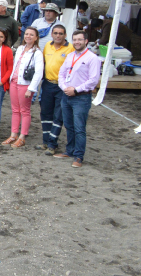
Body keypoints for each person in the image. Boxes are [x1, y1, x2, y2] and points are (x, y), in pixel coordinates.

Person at [53, 31, 102, 168]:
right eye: (75, 39)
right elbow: (61, 74)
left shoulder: (92, 58)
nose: (77, 42)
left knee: (79, 127)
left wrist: (76, 90)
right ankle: (70, 150)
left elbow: (93, 80)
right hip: (66, 95)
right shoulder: (70, 56)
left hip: (81, 97)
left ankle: (79, 156)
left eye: (80, 39)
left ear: (86, 41)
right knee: (69, 125)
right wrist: (65, 88)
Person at [6, 27, 45, 148]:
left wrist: (31, 88)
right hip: (14, 81)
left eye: (31, 35)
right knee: (15, 110)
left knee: (25, 110)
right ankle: (13, 134)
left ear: (36, 38)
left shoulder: (37, 53)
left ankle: (22, 136)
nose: (28, 36)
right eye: (27, 34)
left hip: (25, 84)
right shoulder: (20, 48)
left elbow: (39, 72)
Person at [39, 24, 70, 155]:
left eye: (60, 33)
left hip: (61, 86)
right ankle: (46, 141)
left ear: (65, 35)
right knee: (45, 113)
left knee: (58, 115)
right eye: (55, 33)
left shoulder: (70, 48)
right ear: (51, 34)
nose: (58, 36)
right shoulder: (47, 46)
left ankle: (52, 144)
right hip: (47, 84)